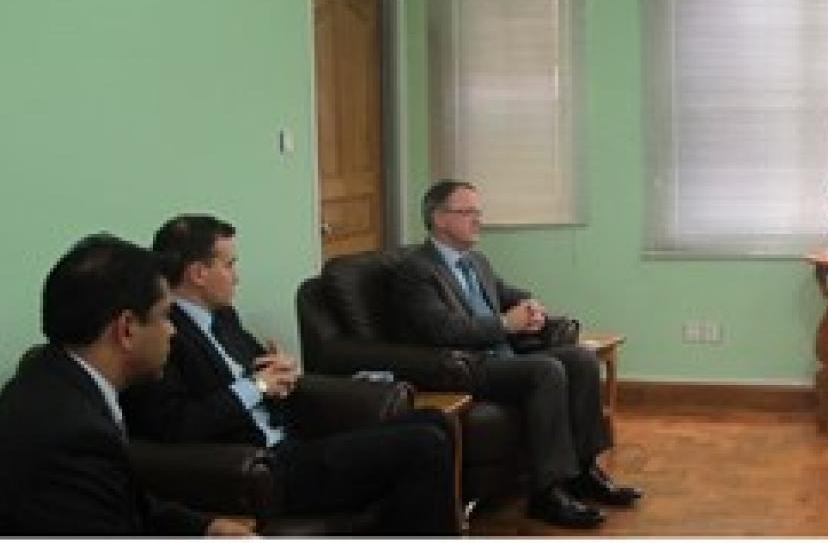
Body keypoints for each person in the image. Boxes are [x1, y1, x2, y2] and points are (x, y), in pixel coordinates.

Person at [121, 215, 459, 535]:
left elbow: (264, 370)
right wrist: (258, 386)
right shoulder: (161, 335)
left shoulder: (223, 317)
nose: (237, 277)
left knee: (435, 420)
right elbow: (177, 424)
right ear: (198, 273)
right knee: (423, 444)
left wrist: (286, 371)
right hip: (263, 469)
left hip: (293, 443)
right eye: (229, 265)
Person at [389, 180, 644, 529]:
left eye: (478, 212)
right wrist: (505, 323)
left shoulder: (476, 260)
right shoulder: (416, 271)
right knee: (546, 370)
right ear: (439, 218)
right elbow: (443, 330)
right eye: (467, 212)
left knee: (581, 359)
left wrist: (531, 307)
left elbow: (509, 293)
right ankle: (546, 493)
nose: (478, 220)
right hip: (463, 365)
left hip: (500, 357)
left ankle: (585, 472)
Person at [0, 234, 253, 536]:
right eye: (165, 316)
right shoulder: (73, 434)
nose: (172, 331)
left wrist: (206, 528)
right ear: (127, 329)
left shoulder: (52, 376)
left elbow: (122, 500)